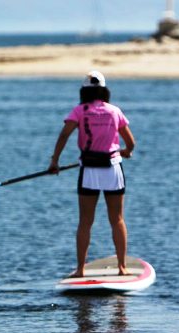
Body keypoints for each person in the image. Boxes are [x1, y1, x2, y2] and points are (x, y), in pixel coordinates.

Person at [49, 71, 136, 277]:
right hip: (113, 168)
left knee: (85, 221)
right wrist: (126, 152)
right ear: (104, 91)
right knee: (117, 220)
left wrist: (55, 161)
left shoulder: (79, 111)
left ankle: (80, 270)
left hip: (89, 169)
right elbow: (131, 143)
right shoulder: (115, 111)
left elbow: (64, 135)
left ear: (84, 91)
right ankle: (122, 268)